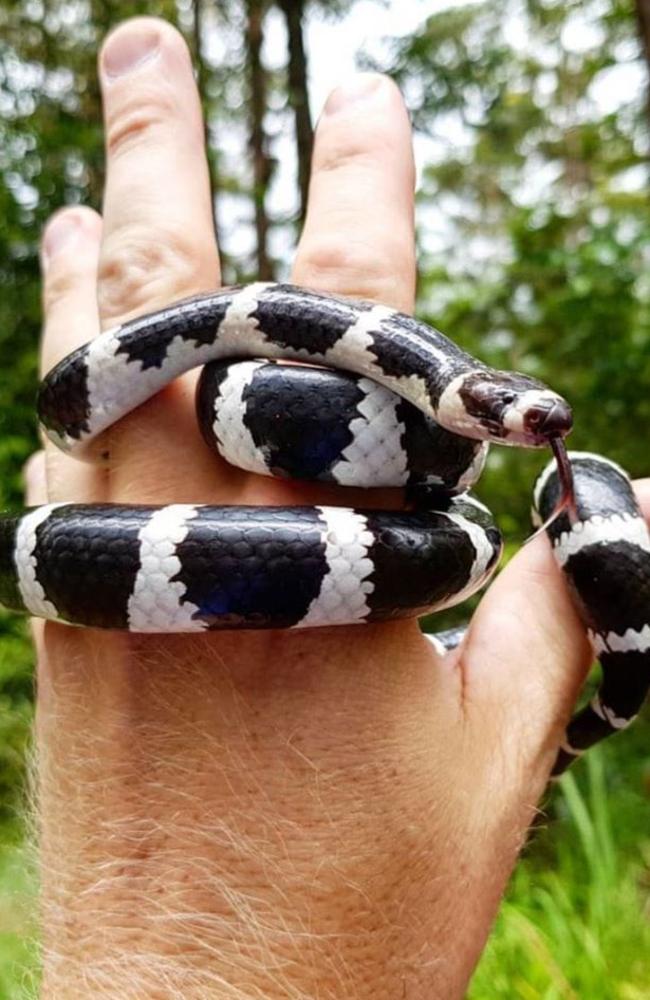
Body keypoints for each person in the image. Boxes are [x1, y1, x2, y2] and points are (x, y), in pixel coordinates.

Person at [25, 16, 650, 999]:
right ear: (464, 404)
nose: (525, 425)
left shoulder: (445, 421)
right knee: (231, 400)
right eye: (503, 414)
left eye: (522, 420)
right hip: (240, 384)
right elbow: (99, 398)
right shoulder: (394, 388)